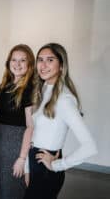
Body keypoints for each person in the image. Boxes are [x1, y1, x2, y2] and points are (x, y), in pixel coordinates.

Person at [24, 43, 98, 199]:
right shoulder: (43, 89)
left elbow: (90, 146)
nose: (43, 65)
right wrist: (27, 168)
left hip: (46, 170)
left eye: (50, 60)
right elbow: (35, 132)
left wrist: (58, 164)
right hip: (35, 163)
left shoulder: (64, 99)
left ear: (61, 65)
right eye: (40, 60)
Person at [0, 44, 34, 199]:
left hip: (16, 145)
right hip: (0, 146)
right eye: (14, 60)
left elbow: (30, 126)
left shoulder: (30, 89)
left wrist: (22, 158)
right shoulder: (5, 85)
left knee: (12, 191)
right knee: (4, 189)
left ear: (30, 64)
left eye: (22, 60)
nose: (17, 64)